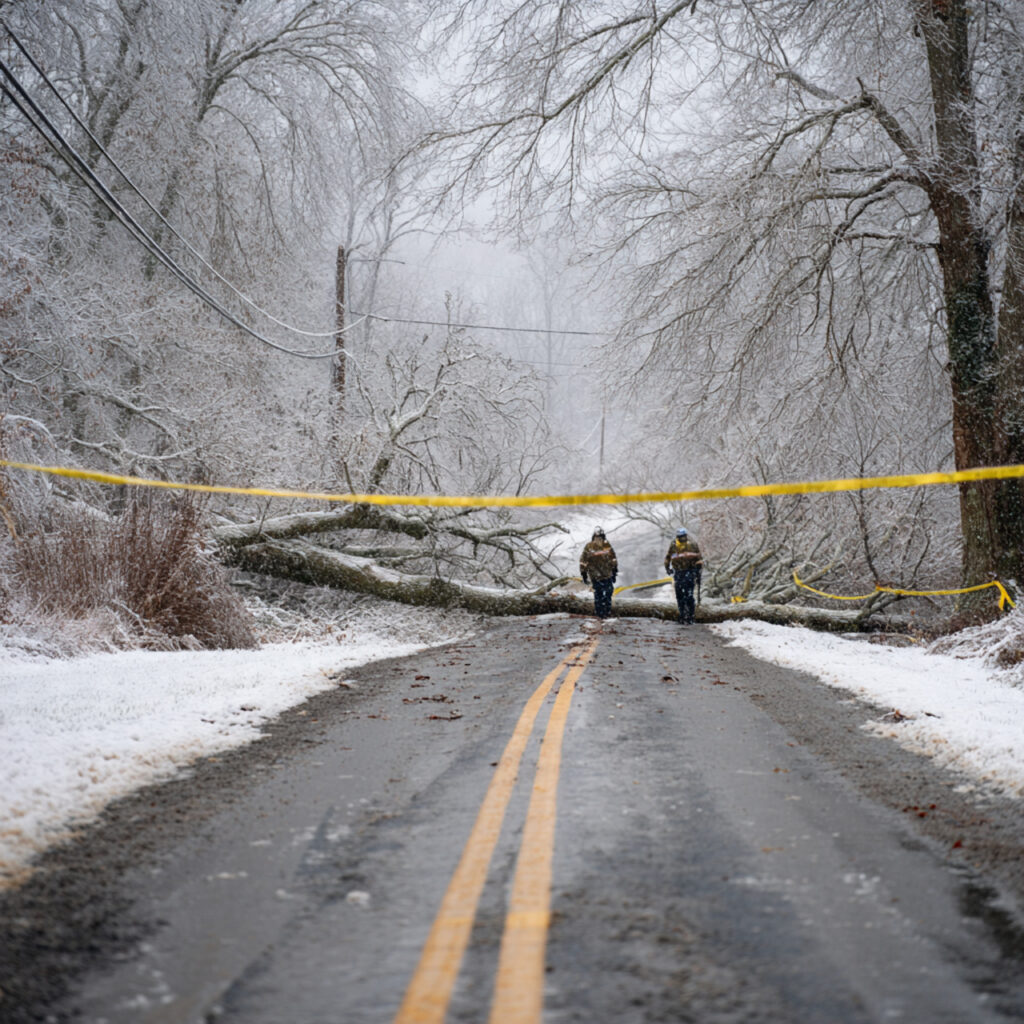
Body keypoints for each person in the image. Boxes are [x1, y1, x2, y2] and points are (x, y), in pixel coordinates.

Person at [664, 527, 703, 624]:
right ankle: (682, 615)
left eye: (684, 536)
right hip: (678, 572)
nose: (682, 538)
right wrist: (667, 567)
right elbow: (668, 556)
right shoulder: (674, 545)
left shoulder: (692, 544)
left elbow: (699, 558)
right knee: (679, 595)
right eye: (681, 537)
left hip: (689, 571)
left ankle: (690, 616)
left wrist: (698, 570)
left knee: (688, 595)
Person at [579, 527, 618, 618]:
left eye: (600, 537)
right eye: (597, 537)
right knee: (601, 596)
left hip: (604, 575)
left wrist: (614, 571)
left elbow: (613, 558)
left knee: (604, 595)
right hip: (598, 576)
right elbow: (583, 561)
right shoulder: (590, 546)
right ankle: (602, 614)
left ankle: (604, 613)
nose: (598, 539)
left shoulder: (606, 545)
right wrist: (583, 573)